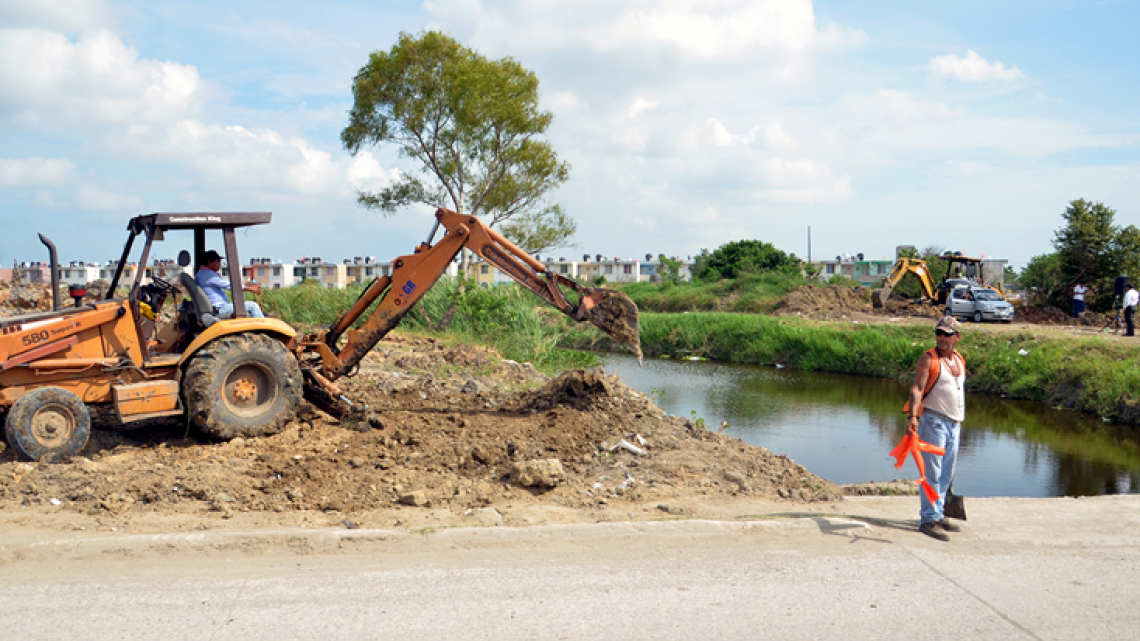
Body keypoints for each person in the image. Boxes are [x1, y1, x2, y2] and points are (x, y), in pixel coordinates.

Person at [906, 316, 965, 542]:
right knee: (932, 473)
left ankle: (938, 514)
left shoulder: (959, 359)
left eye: (947, 334)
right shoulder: (928, 359)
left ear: (957, 337)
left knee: (946, 474)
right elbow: (916, 389)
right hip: (933, 422)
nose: (941, 338)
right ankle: (928, 519)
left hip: (954, 424)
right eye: (938, 333)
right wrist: (913, 416)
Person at [195, 250, 264, 318]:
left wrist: (249, 286)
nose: (220, 264)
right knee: (253, 306)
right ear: (209, 262)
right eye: (218, 261)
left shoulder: (202, 274)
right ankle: (263, 328)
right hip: (219, 308)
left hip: (219, 307)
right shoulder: (208, 276)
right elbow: (229, 285)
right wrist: (250, 288)